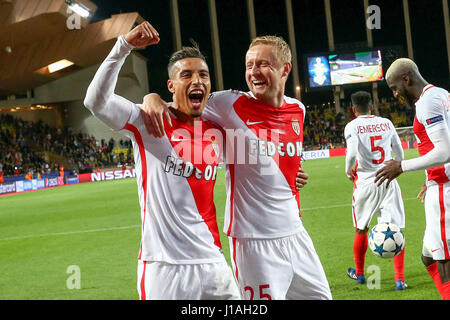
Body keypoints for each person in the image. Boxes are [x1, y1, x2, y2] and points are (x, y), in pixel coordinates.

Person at [141, 36, 331, 300]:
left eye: (262, 64)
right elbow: (185, 101)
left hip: (295, 232)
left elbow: (285, 156)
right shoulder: (226, 105)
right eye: (249, 65)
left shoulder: (298, 109)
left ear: (285, 69)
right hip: (253, 239)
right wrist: (151, 98)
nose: (253, 72)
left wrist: (294, 174)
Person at [84, 21, 241, 300]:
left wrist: (293, 173)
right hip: (163, 269)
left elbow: (256, 161)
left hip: (214, 265)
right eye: (187, 75)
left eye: (203, 75)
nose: (197, 81)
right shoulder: (147, 121)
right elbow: (96, 102)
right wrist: (124, 46)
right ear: (170, 85)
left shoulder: (217, 130)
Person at [375, 58, 450, 299]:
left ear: (406, 79)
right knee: (428, 255)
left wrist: (402, 166)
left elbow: (445, 151)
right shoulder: (442, 94)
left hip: (444, 192)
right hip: (438, 183)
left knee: (444, 262)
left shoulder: (426, 102)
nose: (396, 94)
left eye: (395, 88)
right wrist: (430, 177)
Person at [344, 91, 407, 290]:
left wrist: (348, 171)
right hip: (388, 178)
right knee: (395, 227)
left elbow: (352, 152)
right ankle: (399, 279)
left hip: (365, 182)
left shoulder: (352, 125)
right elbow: (399, 151)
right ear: (371, 105)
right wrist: (397, 165)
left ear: (353, 109)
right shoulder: (386, 122)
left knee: (361, 228)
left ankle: (361, 274)